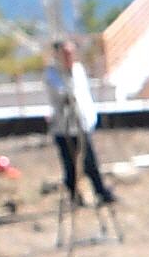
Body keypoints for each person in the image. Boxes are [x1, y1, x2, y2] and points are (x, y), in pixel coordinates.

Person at [43, 32, 119, 215]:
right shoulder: (53, 73)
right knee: (70, 164)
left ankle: (101, 191)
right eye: (65, 54)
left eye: (71, 53)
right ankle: (74, 196)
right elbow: (64, 94)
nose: (69, 57)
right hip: (64, 126)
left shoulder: (78, 70)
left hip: (82, 123)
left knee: (90, 161)